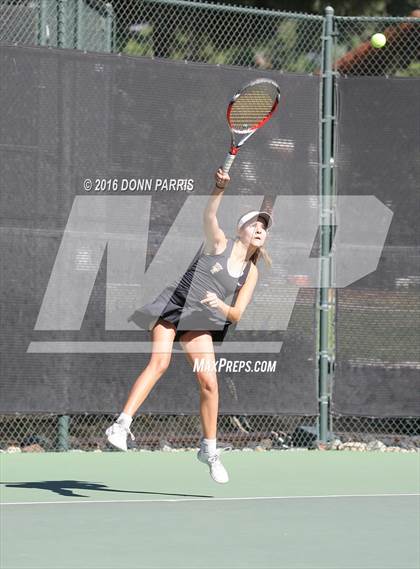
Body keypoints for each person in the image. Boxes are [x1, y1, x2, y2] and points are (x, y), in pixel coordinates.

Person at [105, 167, 272, 484]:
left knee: (210, 383)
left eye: (264, 226)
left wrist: (220, 304)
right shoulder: (219, 243)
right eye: (255, 224)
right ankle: (121, 425)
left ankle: (209, 450)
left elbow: (236, 315)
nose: (261, 228)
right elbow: (208, 216)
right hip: (174, 305)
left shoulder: (251, 273)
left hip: (201, 320)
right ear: (241, 231)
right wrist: (219, 189)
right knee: (160, 362)